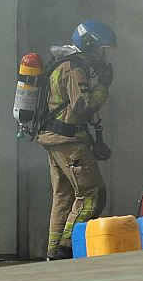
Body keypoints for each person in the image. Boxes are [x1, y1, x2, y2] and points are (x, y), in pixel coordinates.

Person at [36, 19, 117, 260]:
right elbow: (82, 105)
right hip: (69, 142)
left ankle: (53, 253)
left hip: (56, 141)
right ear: (90, 44)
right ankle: (67, 247)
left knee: (63, 197)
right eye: (102, 49)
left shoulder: (62, 63)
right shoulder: (74, 67)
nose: (103, 56)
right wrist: (103, 86)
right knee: (92, 194)